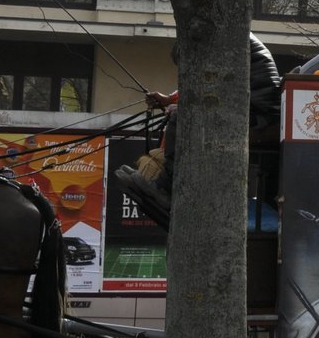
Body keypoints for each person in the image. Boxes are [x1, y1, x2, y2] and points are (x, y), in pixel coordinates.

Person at [118, 32, 284, 213]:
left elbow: (220, 96)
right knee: (184, 116)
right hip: (259, 116)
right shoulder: (230, 41)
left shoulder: (229, 46)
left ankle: (166, 187)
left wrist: (183, 109)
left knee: (182, 119)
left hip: (260, 122)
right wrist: (170, 101)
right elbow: (214, 92)